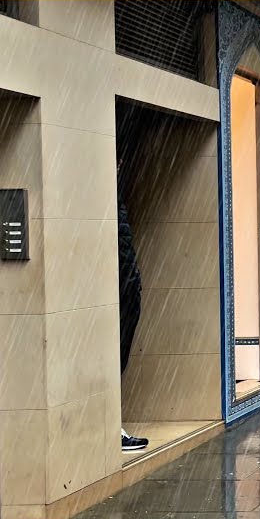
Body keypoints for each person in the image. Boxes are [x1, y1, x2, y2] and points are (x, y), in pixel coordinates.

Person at [116, 153, 148, 453]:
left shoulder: (112, 199)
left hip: (125, 290)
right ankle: (112, 428)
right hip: (121, 292)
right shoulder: (108, 201)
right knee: (116, 358)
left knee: (118, 358)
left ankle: (113, 426)